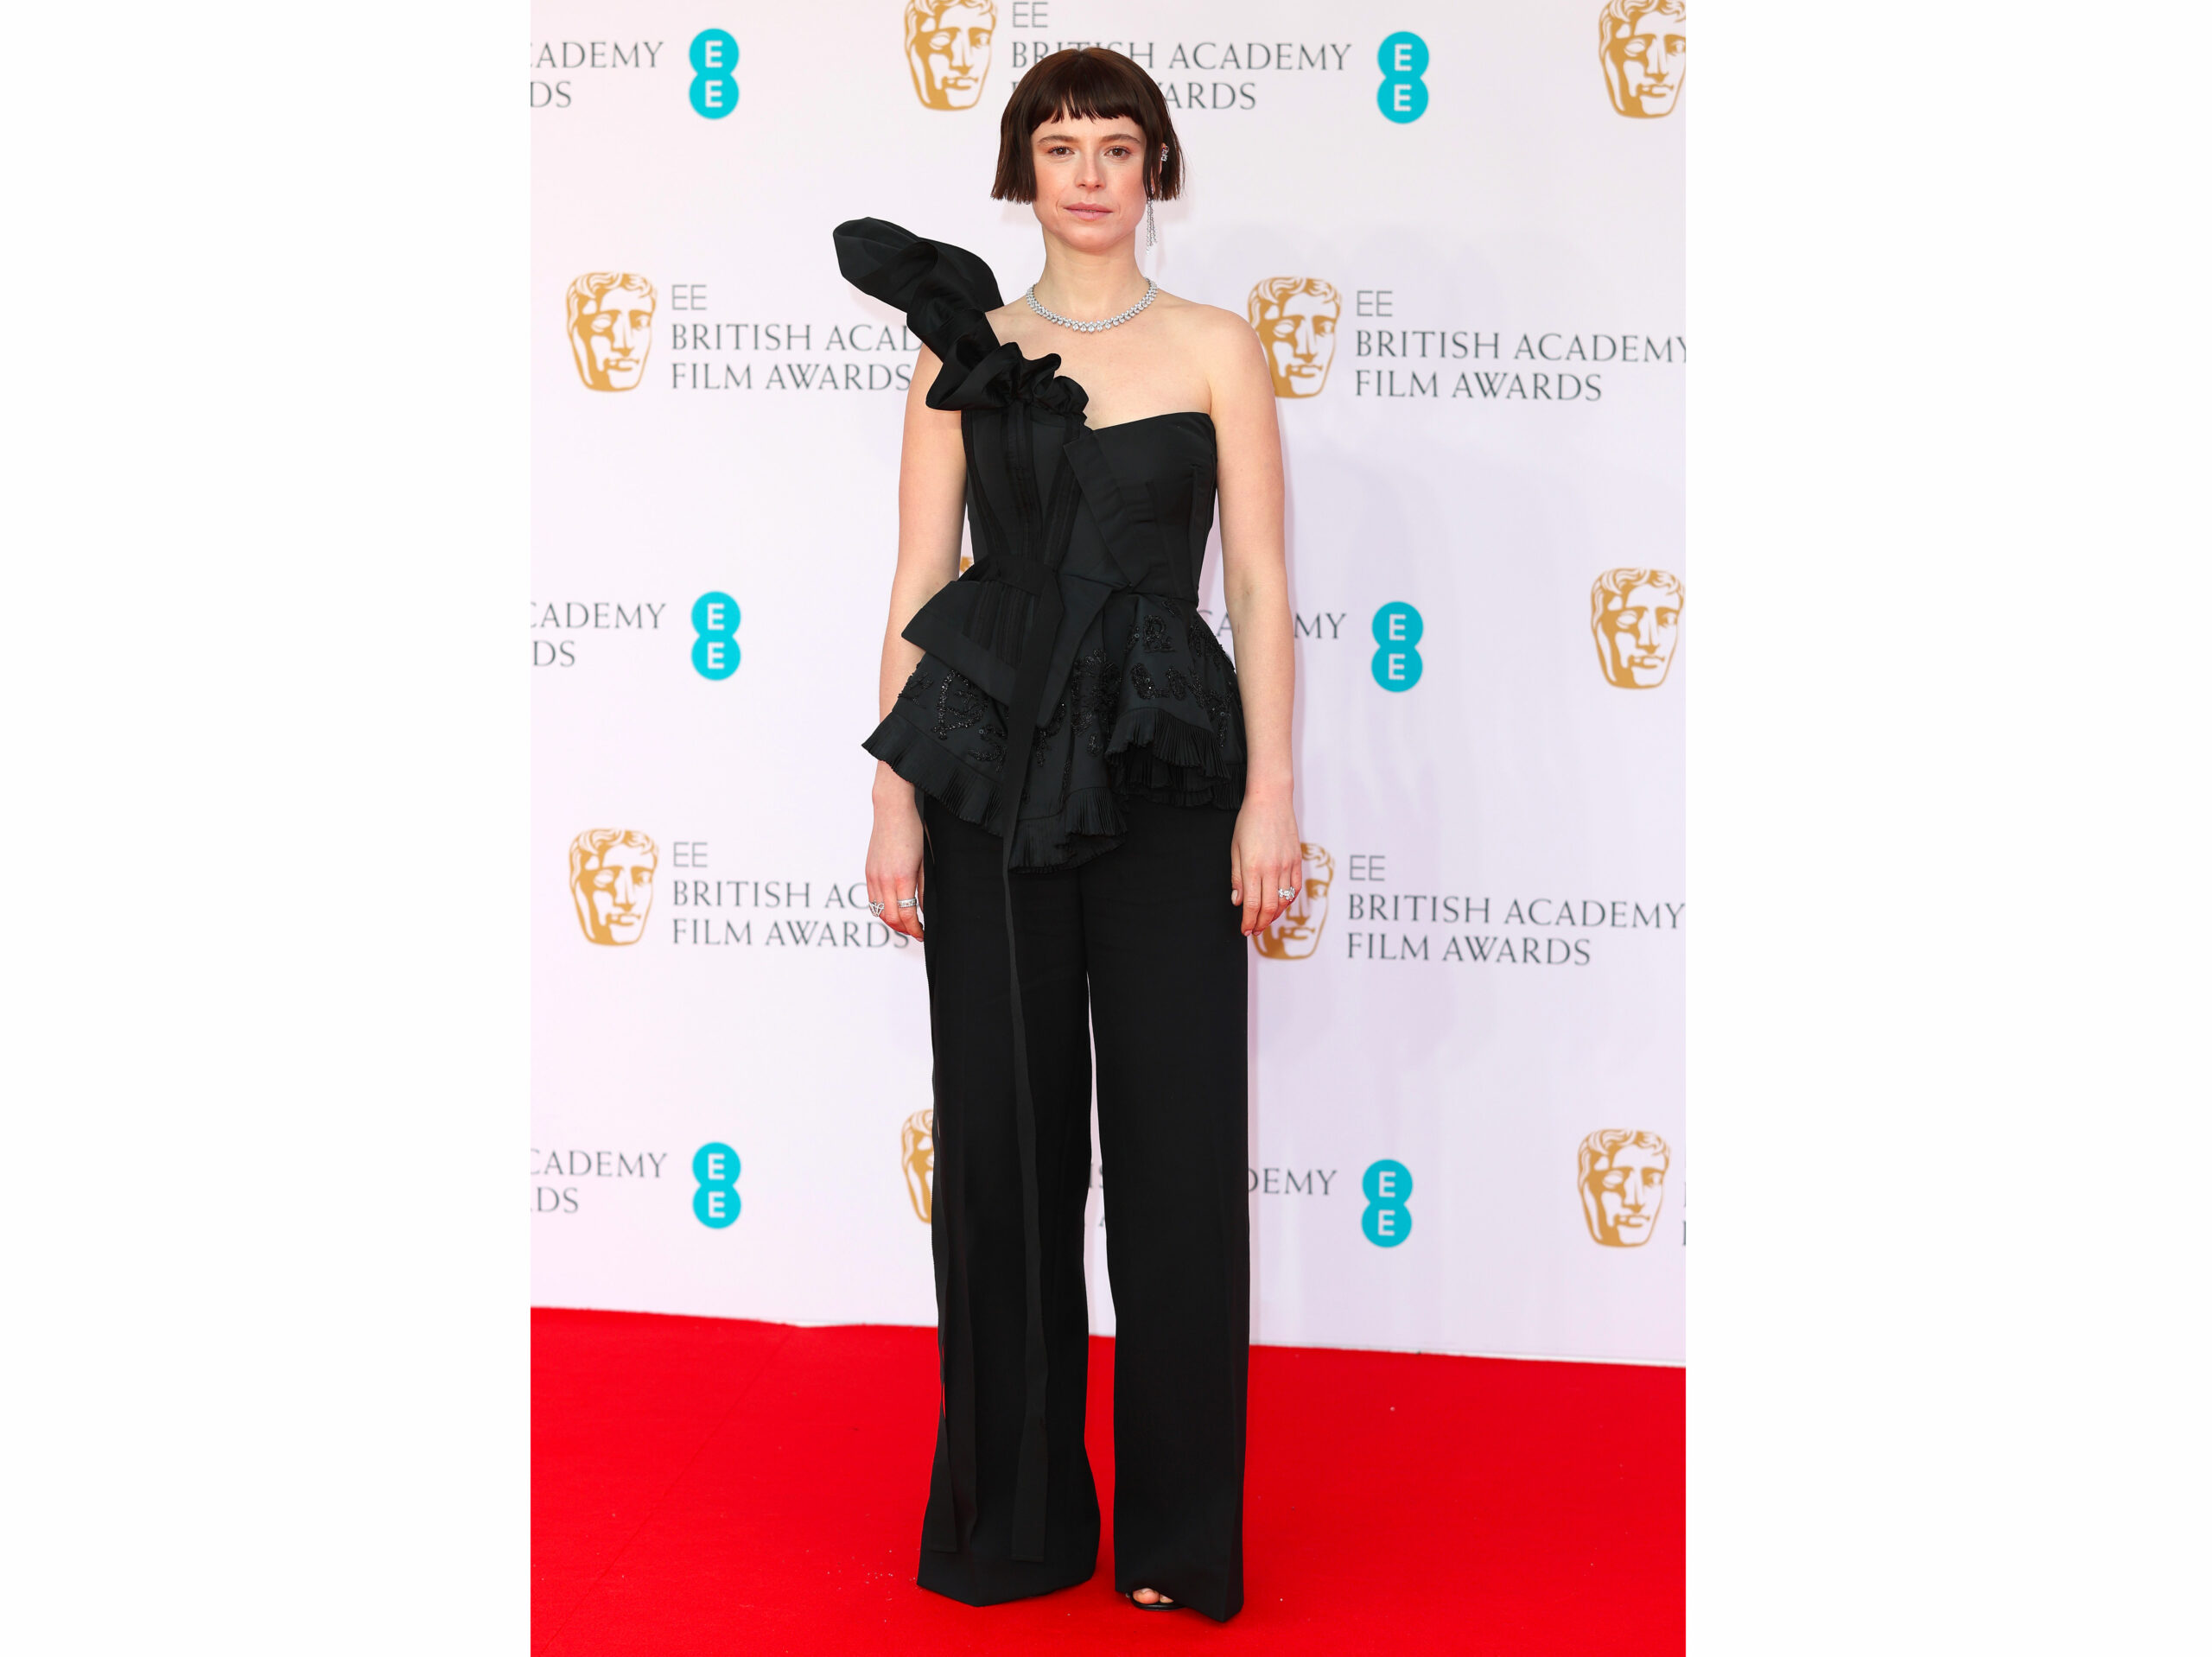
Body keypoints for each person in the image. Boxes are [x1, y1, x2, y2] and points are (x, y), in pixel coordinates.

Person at [835, 45, 1299, 1623]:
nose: (1089, 172)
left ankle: (1178, 1538)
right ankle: (1014, 1524)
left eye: (1115, 144)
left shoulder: (1220, 346)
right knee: (1003, 1147)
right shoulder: (963, 353)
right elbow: (919, 577)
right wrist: (893, 796)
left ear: (1156, 167)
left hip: (1172, 772)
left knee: (1178, 1154)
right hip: (993, 776)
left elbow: (1258, 589)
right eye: (1059, 145)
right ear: (1020, 171)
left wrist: (1273, 793)